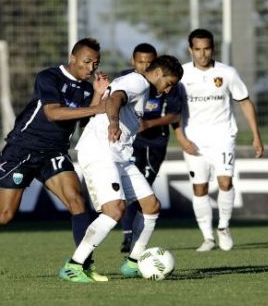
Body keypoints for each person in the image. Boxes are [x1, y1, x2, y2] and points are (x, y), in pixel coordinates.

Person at [0, 38, 111, 281]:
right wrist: (97, 108)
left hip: (54, 152)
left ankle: (81, 266)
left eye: (96, 63)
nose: (91, 68)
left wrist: (96, 95)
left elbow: (85, 121)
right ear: (72, 58)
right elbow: (52, 113)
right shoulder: (49, 77)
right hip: (22, 149)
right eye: (86, 62)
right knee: (5, 216)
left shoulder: (86, 88)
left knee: (77, 202)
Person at [58, 55, 184, 282]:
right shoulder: (138, 82)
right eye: (169, 84)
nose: (168, 90)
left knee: (151, 205)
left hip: (119, 155)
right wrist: (114, 123)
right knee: (114, 210)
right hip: (100, 152)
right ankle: (74, 266)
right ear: (157, 74)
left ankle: (134, 262)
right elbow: (115, 99)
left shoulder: (143, 87)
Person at [176, 28, 264, 252]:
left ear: (212, 49)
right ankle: (207, 237)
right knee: (199, 188)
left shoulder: (227, 73)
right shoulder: (181, 75)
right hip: (193, 140)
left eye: (206, 49)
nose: (202, 54)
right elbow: (173, 110)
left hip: (222, 137)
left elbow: (244, 102)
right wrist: (181, 138)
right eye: (197, 49)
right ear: (190, 50)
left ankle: (223, 227)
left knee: (225, 182)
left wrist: (256, 136)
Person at [117, 43, 185, 254]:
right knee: (132, 194)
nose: (144, 65)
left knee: (143, 191)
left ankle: (133, 241)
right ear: (133, 62)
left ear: (155, 65)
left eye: (148, 62)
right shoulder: (127, 80)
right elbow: (112, 100)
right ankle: (129, 238)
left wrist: (149, 124)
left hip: (153, 144)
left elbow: (174, 115)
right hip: (127, 144)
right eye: (140, 62)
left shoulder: (167, 85)